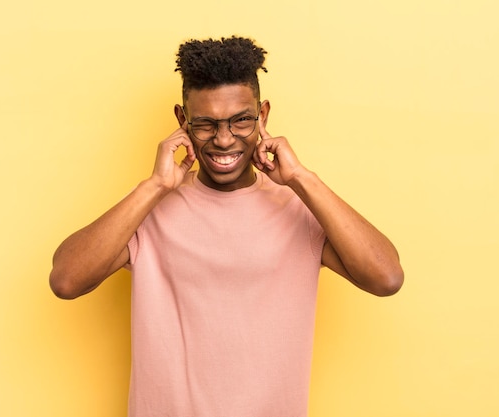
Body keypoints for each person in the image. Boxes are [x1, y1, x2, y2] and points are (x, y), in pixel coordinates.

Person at [50, 36, 404, 417]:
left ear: (263, 116)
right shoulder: (152, 210)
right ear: (182, 121)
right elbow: (66, 280)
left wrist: (302, 178)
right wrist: (153, 186)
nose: (223, 139)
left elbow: (386, 278)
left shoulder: (299, 209)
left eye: (241, 120)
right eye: (205, 124)